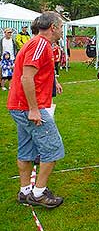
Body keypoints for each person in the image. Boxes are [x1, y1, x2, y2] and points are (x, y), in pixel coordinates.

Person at [7, 11, 64, 208]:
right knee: (53, 149)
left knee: (26, 150)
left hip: (19, 106)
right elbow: (26, 77)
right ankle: (38, 194)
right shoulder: (40, 44)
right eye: (61, 27)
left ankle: (25, 192)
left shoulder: (39, 44)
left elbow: (36, 72)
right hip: (27, 108)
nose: (62, 31)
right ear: (53, 28)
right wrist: (33, 109)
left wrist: (53, 81)